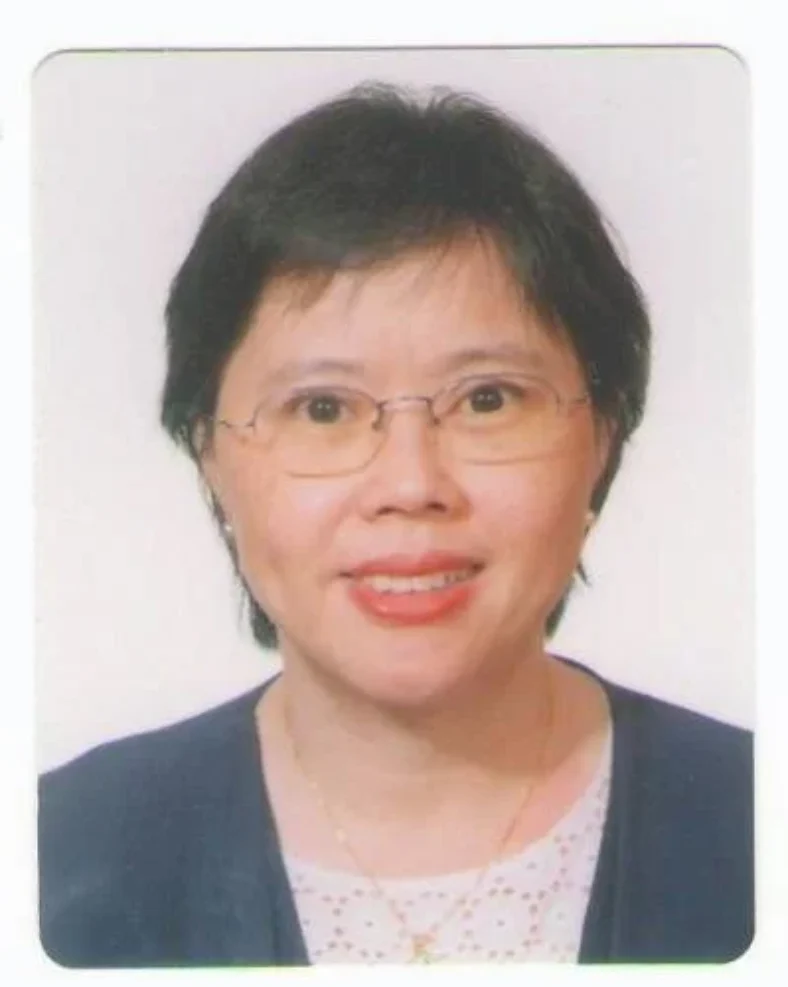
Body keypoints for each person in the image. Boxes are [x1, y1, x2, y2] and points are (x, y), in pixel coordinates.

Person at [38, 82, 753, 967]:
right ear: (209, 455)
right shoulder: (57, 861)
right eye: (323, 408)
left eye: (488, 399)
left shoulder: (756, 824)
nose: (411, 485)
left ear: (603, 437)